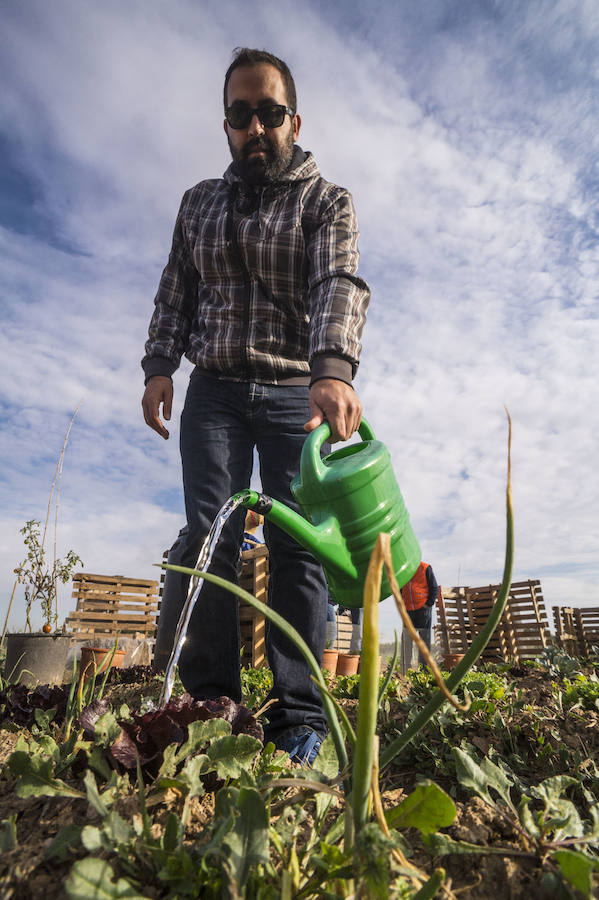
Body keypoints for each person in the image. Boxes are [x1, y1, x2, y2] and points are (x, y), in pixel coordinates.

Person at [142, 48, 370, 765]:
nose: (255, 127)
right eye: (240, 115)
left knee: (296, 540)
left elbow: (338, 282)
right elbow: (176, 289)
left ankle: (298, 712)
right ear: (226, 126)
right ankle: (214, 705)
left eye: (269, 113)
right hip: (211, 391)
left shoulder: (324, 200)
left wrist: (330, 369)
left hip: (290, 391)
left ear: (293, 121)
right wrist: (158, 366)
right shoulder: (198, 203)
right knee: (210, 536)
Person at [400, 561, 439, 663]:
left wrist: (428, 604)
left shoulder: (425, 568)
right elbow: (400, 588)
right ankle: (405, 669)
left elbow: (434, 588)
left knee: (424, 641)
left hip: (423, 610)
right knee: (406, 641)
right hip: (408, 610)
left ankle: (424, 670)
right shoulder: (403, 569)